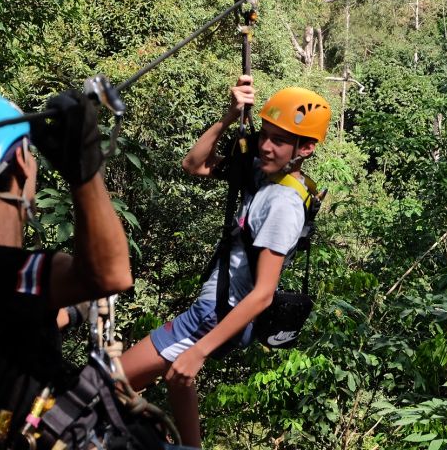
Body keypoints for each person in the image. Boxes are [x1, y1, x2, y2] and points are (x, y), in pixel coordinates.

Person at [0, 89, 160, 449]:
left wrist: (75, 311)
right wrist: (85, 170)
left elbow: (19, 328)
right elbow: (112, 274)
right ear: (20, 163)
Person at [119, 75, 331, 448]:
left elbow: (264, 294)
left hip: (216, 315)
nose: (266, 146)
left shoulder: (282, 203)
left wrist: (199, 351)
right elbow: (193, 164)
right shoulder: (264, 177)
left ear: (307, 148)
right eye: (265, 134)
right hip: (218, 310)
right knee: (174, 377)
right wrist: (228, 118)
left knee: (105, 385)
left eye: (279, 141)